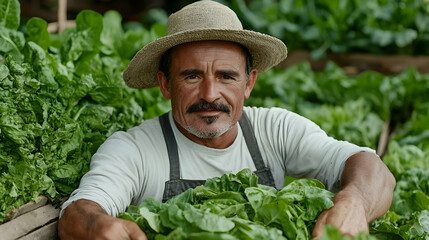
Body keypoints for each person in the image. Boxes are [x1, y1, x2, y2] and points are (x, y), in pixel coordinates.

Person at [58, 1, 396, 239]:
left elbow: (369, 167)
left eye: (226, 76)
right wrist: (96, 226)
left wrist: (354, 202)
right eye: (191, 76)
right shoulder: (134, 149)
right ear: (164, 84)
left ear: (249, 83)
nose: (210, 94)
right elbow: (81, 209)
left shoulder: (275, 130)